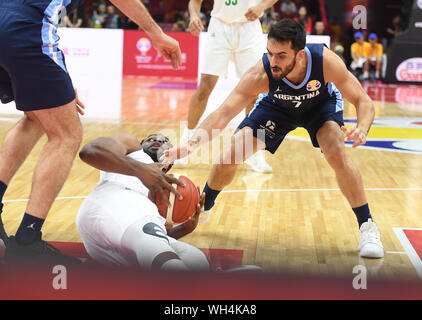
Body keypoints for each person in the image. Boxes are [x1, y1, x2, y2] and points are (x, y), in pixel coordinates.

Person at [162, 19, 384, 259]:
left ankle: (368, 226)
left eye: (281, 55)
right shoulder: (261, 73)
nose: (273, 61)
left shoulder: (325, 62)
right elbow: (224, 113)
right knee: (232, 153)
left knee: (336, 152)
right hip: (278, 107)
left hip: (320, 106)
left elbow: (363, 100)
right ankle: (204, 207)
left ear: (300, 55)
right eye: (269, 53)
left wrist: (362, 127)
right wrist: (191, 145)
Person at [0, 0, 183, 263]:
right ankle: (27, 240)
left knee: (36, 118)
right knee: (67, 134)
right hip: (26, 26)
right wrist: (155, 32)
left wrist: (59, 82)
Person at [76, 133, 209, 270]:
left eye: (165, 141)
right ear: (140, 144)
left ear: (170, 162)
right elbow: (90, 151)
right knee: (159, 251)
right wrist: (140, 169)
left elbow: (139, 233)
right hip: (111, 203)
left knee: (196, 259)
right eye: (151, 139)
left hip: (114, 236)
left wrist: (186, 227)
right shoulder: (133, 148)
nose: (157, 141)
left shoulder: (163, 191)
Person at [179, 0, 278, 173]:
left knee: (255, 92)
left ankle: (254, 153)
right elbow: (195, 1)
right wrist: (194, 16)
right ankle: (184, 144)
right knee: (205, 87)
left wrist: (261, 6)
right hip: (219, 27)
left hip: (249, 28)